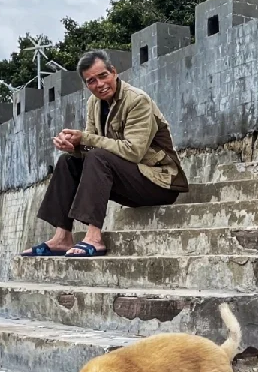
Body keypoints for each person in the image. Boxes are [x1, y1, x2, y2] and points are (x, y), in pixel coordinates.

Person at [22, 50, 188, 258]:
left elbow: (133, 152)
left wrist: (85, 139)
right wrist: (74, 147)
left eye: (103, 76)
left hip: (160, 183)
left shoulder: (137, 101)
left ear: (114, 72)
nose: (99, 84)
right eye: (91, 81)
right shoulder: (94, 103)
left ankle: (94, 237)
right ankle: (62, 237)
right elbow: (91, 146)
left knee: (98, 157)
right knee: (68, 162)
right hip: (130, 181)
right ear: (86, 85)